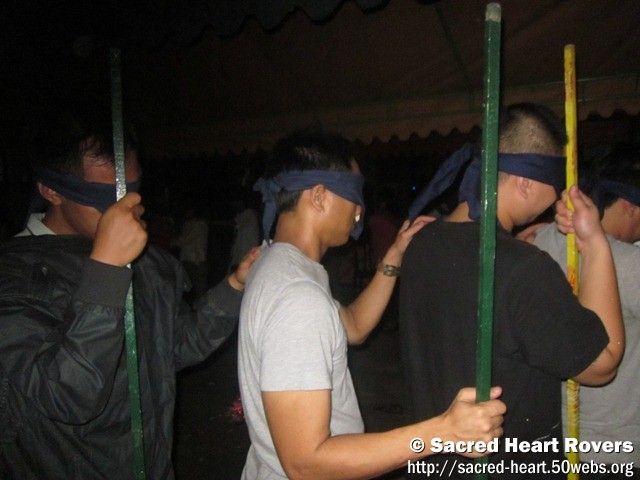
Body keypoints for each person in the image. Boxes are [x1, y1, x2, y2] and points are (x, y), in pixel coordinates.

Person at [0, 110, 259, 479]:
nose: (126, 210)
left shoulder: (147, 261)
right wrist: (106, 270)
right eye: (104, 197)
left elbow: (177, 345)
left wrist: (234, 286)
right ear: (51, 191)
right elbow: (66, 396)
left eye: (133, 191)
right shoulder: (14, 278)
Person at [238, 131, 506, 480]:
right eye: (354, 194)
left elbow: (353, 326)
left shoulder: (278, 264)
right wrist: (443, 432)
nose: (359, 211)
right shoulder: (297, 297)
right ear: (318, 196)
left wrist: (394, 255)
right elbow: (306, 463)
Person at [400, 103, 623, 478]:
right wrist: (595, 244)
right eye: (555, 183)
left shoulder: (422, 243)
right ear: (526, 182)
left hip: (433, 463)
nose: (557, 198)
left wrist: (514, 248)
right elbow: (603, 364)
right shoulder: (523, 269)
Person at [530, 148, 640, 479]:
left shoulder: (541, 242)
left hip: (552, 438)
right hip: (613, 448)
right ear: (629, 206)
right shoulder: (629, 264)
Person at [172, 202, 210, 299]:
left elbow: (184, 240)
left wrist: (170, 240)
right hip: (189, 259)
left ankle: (199, 306)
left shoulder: (198, 224)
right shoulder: (188, 224)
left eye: (189, 211)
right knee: (189, 288)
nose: (186, 213)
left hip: (196, 261)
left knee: (199, 289)